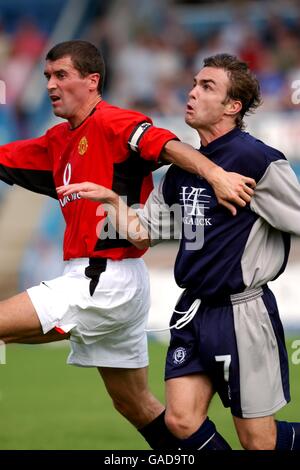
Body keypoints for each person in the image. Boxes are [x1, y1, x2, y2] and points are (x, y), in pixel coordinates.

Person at [0, 42, 254, 449]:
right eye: (47, 76)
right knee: (134, 404)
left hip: (103, 279)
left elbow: (168, 145)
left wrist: (217, 174)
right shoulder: (56, 141)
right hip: (111, 282)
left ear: (92, 81)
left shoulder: (115, 122)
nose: (50, 84)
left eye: (61, 75)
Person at [59, 53, 300, 450]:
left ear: (232, 107)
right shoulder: (180, 170)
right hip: (192, 310)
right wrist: (112, 201)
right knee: (181, 420)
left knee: (259, 442)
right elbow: (144, 235)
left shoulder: (258, 160)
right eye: (194, 83)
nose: (191, 92)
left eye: (207, 87)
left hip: (243, 313)